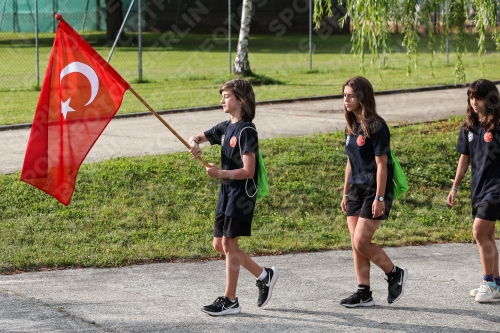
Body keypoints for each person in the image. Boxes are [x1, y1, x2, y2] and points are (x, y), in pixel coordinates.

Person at [188, 79, 278, 316]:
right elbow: (196, 137)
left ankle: (230, 300)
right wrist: (193, 145)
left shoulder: (247, 131)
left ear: (241, 99)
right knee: (219, 244)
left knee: (229, 244)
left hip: (242, 194)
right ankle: (263, 275)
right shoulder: (226, 127)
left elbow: (248, 170)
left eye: (226, 96)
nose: (222, 100)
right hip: (227, 192)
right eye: (222, 96)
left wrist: (219, 173)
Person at [340, 76, 408, 307]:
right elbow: (350, 162)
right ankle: (364, 292)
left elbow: (382, 165)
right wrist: (345, 192)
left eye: (350, 95)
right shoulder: (351, 126)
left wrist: (379, 197)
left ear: (362, 97)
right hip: (356, 190)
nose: (346, 99)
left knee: (361, 241)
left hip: (376, 189)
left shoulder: (377, 126)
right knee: (355, 242)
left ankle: (393, 273)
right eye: (344, 95)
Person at [447, 79, 500, 303]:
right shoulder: (469, 125)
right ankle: (496, 283)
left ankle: (488, 282)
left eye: (478, 98)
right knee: (487, 235)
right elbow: (464, 159)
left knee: (478, 231)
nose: (474, 102)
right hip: (478, 188)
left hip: (496, 187)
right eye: (471, 97)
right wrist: (455, 187)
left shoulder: (498, 124)